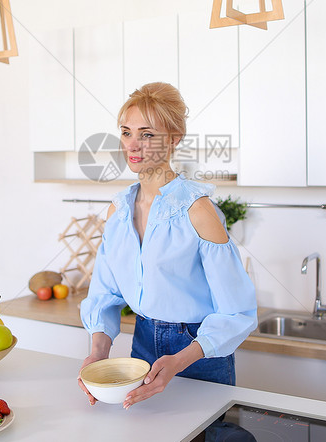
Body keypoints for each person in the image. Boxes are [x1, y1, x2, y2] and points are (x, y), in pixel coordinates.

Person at [78, 82, 257, 409]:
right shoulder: (117, 212)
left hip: (199, 352)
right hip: (142, 343)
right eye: (126, 132)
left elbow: (237, 311)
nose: (133, 144)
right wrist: (97, 354)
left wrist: (178, 360)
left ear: (174, 139)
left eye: (147, 134)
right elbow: (104, 294)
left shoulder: (198, 210)